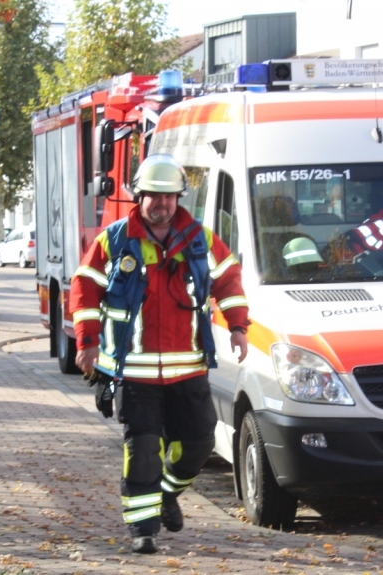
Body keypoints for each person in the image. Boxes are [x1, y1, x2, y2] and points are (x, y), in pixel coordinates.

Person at [69, 154, 249, 555]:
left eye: (170, 197)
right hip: (135, 372)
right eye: (155, 196)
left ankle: (166, 495)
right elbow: (84, 288)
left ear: (179, 199)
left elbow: (228, 280)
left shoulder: (200, 238)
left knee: (200, 445)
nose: (162, 204)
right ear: (139, 196)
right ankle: (143, 529)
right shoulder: (114, 240)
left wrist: (238, 325)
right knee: (144, 450)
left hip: (189, 369)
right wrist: (87, 342)